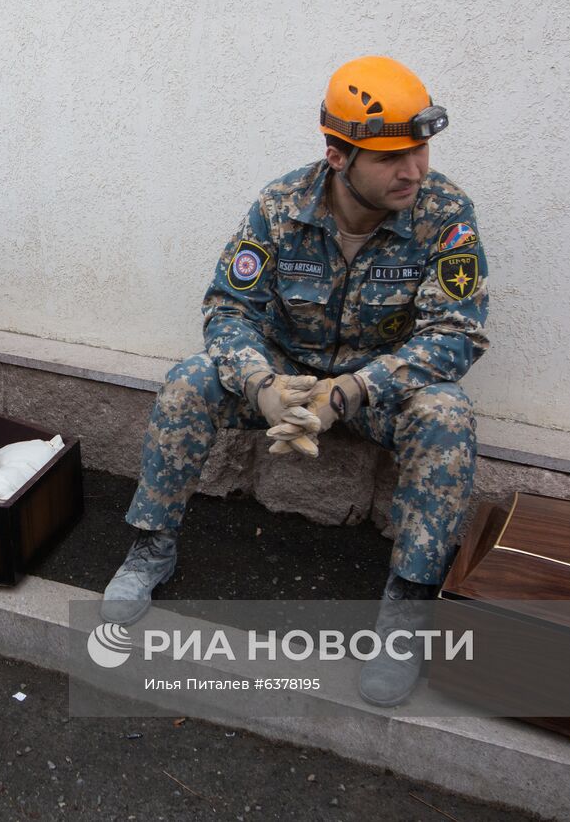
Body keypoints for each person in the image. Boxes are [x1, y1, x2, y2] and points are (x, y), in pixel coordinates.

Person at [100, 56, 488, 707]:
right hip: (285, 381)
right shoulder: (280, 207)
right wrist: (261, 387)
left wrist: (352, 392)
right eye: (392, 158)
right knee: (191, 380)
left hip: (374, 395)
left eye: (421, 151)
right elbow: (228, 307)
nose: (414, 171)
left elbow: (456, 334)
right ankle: (150, 548)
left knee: (447, 413)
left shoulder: (443, 214)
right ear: (338, 154)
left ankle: (408, 607)